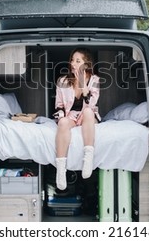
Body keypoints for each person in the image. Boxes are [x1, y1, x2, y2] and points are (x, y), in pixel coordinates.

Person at [53, 48, 101, 190]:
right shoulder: (63, 81)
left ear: (86, 64)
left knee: (87, 111)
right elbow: (59, 106)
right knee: (62, 123)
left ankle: (88, 159)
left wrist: (82, 83)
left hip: (88, 115)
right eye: (72, 60)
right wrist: (60, 115)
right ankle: (61, 170)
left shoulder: (95, 80)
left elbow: (91, 103)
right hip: (71, 116)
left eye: (78, 61)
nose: (73, 63)